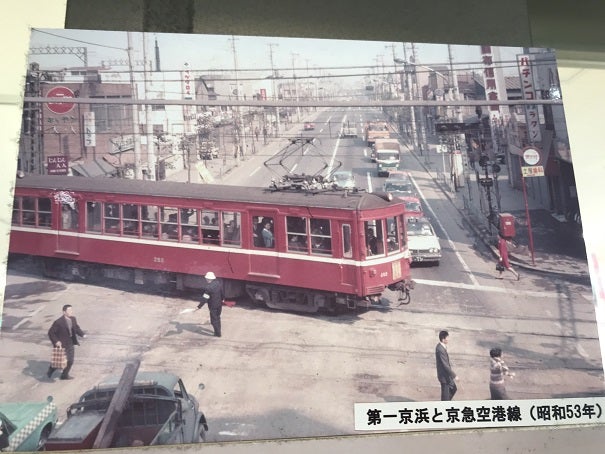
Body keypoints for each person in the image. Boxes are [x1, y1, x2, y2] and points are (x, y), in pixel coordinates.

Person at [47, 304, 86, 380]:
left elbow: (76, 328)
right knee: (60, 361)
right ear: (64, 312)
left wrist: (82, 334)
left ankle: (64, 375)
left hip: (70, 342)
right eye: (69, 310)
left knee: (70, 361)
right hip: (62, 344)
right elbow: (51, 333)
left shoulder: (73, 319)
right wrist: (56, 341)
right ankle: (51, 369)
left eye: (71, 310)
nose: (71, 312)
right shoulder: (58, 322)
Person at [197, 271, 224, 337]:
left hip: (213, 306)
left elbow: (204, 298)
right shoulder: (218, 283)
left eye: (206, 278)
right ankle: (218, 331)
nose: (206, 280)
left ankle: (218, 334)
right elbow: (222, 292)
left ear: (209, 279)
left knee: (213, 320)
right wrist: (223, 299)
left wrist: (199, 306)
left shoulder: (208, 288)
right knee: (218, 318)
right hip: (219, 304)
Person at [435, 330, 458, 400]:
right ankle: (444, 404)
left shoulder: (441, 346)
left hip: (447, 375)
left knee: (454, 388)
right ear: (443, 339)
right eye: (447, 338)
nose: (448, 339)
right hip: (444, 377)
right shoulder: (440, 349)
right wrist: (454, 376)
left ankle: (446, 401)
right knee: (445, 395)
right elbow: (445, 365)